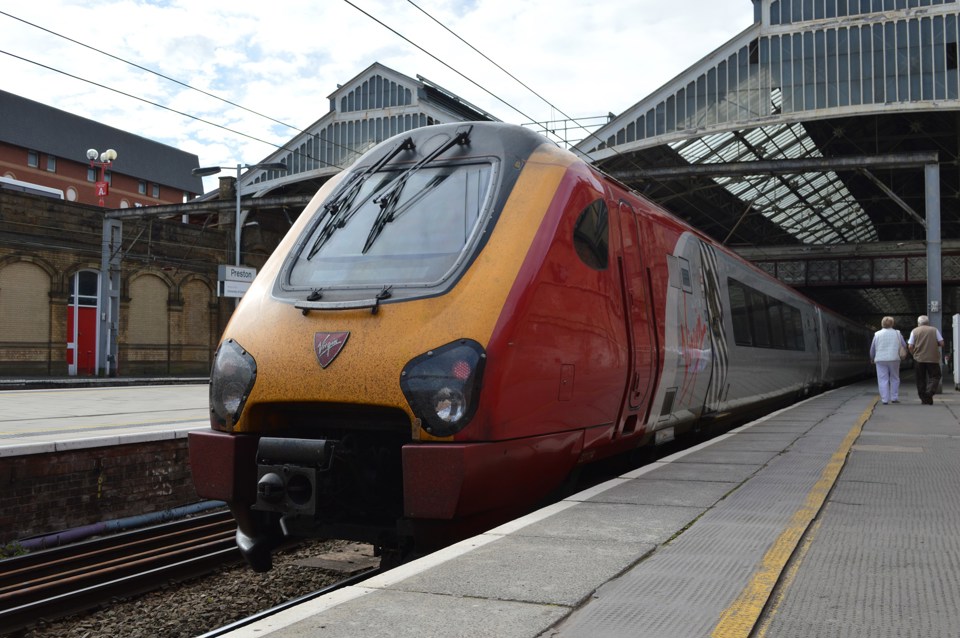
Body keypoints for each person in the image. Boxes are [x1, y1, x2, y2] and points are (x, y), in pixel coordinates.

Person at [869, 316, 907, 405]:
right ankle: (894, 398)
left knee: (882, 379)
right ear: (892, 324)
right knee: (895, 378)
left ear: (882, 324)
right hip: (894, 358)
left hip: (880, 359)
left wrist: (872, 358)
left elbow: (872, 348)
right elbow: (904, 345)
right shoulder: (898, 333)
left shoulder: (877, 334)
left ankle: (884, 400)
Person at [908, 315, 944, 405]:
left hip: (919, 359)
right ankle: (929, 393)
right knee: (935, 376)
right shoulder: (934, 330)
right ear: (928, 322)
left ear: (918, 323)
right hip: (933, 358)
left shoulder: (914, 331)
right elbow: (942, 343)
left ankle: (924, 398)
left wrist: (914, 354)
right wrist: (934, 345)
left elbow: (910, 346)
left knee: (920, 379)